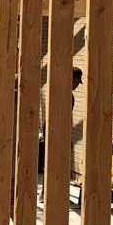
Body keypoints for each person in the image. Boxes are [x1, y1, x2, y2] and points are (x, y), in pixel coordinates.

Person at [37, 66, 83, 204]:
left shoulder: (56, 91)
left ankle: (45, 194)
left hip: (51, 132)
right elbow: (62, 117)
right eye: (77, 81)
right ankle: (58, 196)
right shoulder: (67, 95)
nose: (77, 85)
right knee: (60, 164)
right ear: (73, 79)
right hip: (58, 133)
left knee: (50, 163)